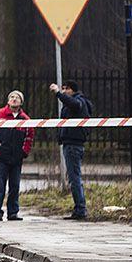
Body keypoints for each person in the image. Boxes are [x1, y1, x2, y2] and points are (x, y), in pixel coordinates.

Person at [0, 90, 34, 221]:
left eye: (17, 97)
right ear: (7, 100)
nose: (14, 99)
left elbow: (29, 137)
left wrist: (24, 152)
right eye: (11, 97)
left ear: (21, 102)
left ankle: (13, 212)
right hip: (1, 156)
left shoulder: (25, 119)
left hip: (16, 157)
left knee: (15, 186)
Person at [51, 80, 93, 220]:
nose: (63, 91)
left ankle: (80, 210)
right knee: (74, 177)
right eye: (62, 89)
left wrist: (58, 93)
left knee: (74, 178)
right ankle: (78, 208)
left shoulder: (78, 101)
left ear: (72, 90)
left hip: (73, 145)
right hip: (71, 143)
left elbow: (73, 104)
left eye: (65, 89)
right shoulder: (73, 102)